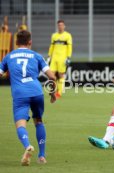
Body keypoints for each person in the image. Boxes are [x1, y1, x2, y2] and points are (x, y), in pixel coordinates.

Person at [0, 30, 56, 165]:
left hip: (20, 94)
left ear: (16, 42)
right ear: (30, 42)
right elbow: (52, 76)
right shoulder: (36, 56)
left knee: (20, 124)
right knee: (39, 121)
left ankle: (27, 146)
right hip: (37, 92)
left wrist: (6, 74)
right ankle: (42, 156)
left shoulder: (8, 56)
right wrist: (52, 93)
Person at [48, 20, 72, 98]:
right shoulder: (54, 35)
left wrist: (68, 57)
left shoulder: (67, 35)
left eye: (61, 25)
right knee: (51, 75)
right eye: (59, 25)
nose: (60, 26)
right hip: (54, 58)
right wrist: (49, 56)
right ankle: (53, 91)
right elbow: (52, 46)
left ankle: (59, 92)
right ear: (57, 26)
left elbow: (69, 47)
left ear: (64, 26)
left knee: (61, 75)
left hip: (62, 58)